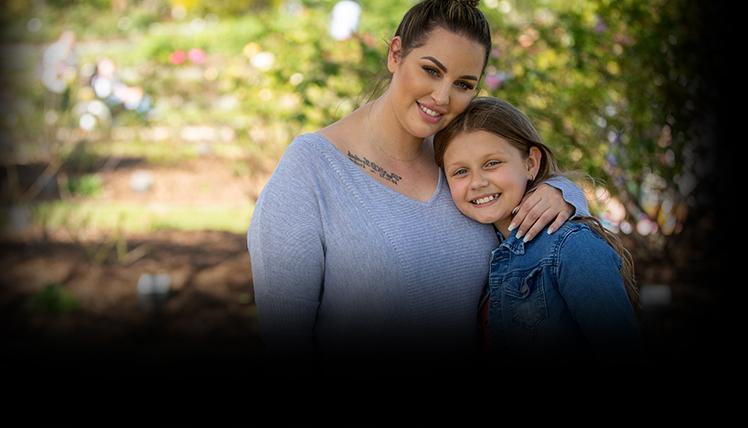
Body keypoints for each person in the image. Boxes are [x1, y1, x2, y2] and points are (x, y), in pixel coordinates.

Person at [247, 0, 591, 373]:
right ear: (396, 54)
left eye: (463, 84)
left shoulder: (460, 163)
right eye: (431, 70)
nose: (442, 97)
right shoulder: (311, 169)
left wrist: (563, 195)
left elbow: (539, 192)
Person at [433, 97, 642, 366]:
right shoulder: (483, 249)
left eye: (492, 163)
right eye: (461, 171)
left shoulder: (570, 246)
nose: (478, 182)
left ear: (531, 163)